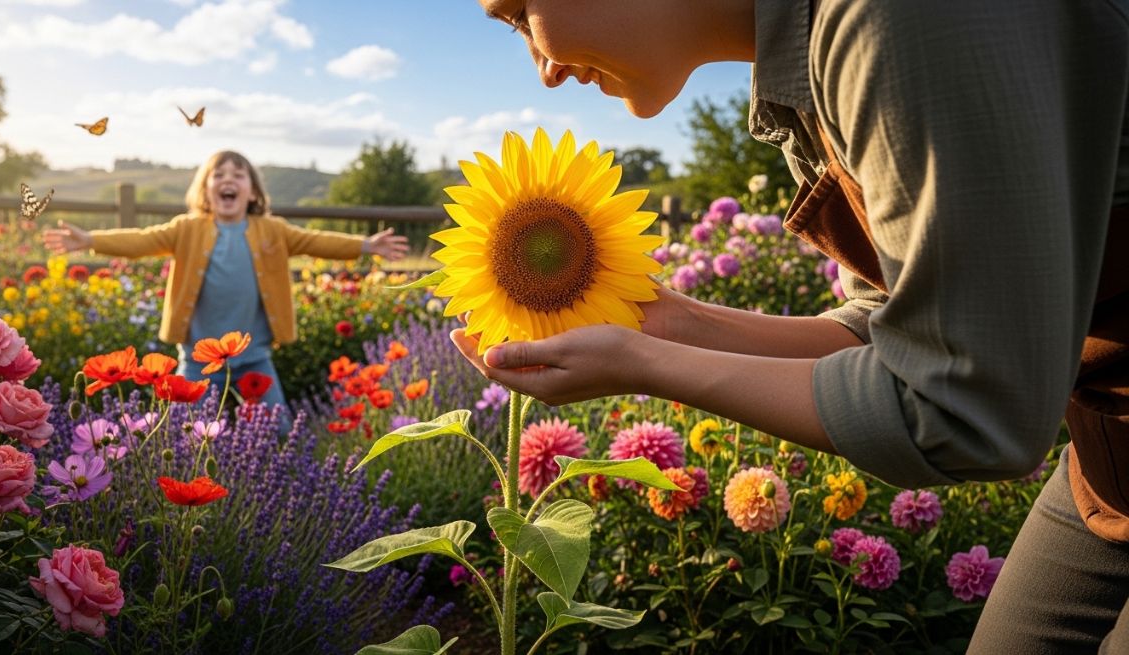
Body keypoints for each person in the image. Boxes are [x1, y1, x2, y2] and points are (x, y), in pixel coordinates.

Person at [459, 1, 1128, 651]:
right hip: (1107, 469)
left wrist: (643, 366)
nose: (542, 69)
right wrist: (663, 323)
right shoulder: (808, 63)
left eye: (521, 14)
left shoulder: (895, 18)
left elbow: (968, 402)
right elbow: (887, 327)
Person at [43, 150, 409, 429]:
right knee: (184, 432)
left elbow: (317, 241)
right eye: (218, 174)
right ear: (205, 189)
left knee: (279, 429)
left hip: (254, 356)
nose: (227, 179)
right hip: (197, 358)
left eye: (238, 175)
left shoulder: (273, 230)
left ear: (251, 192)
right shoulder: (187, 228)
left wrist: (366, 245)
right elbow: (140, 240)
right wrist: (90, 239)